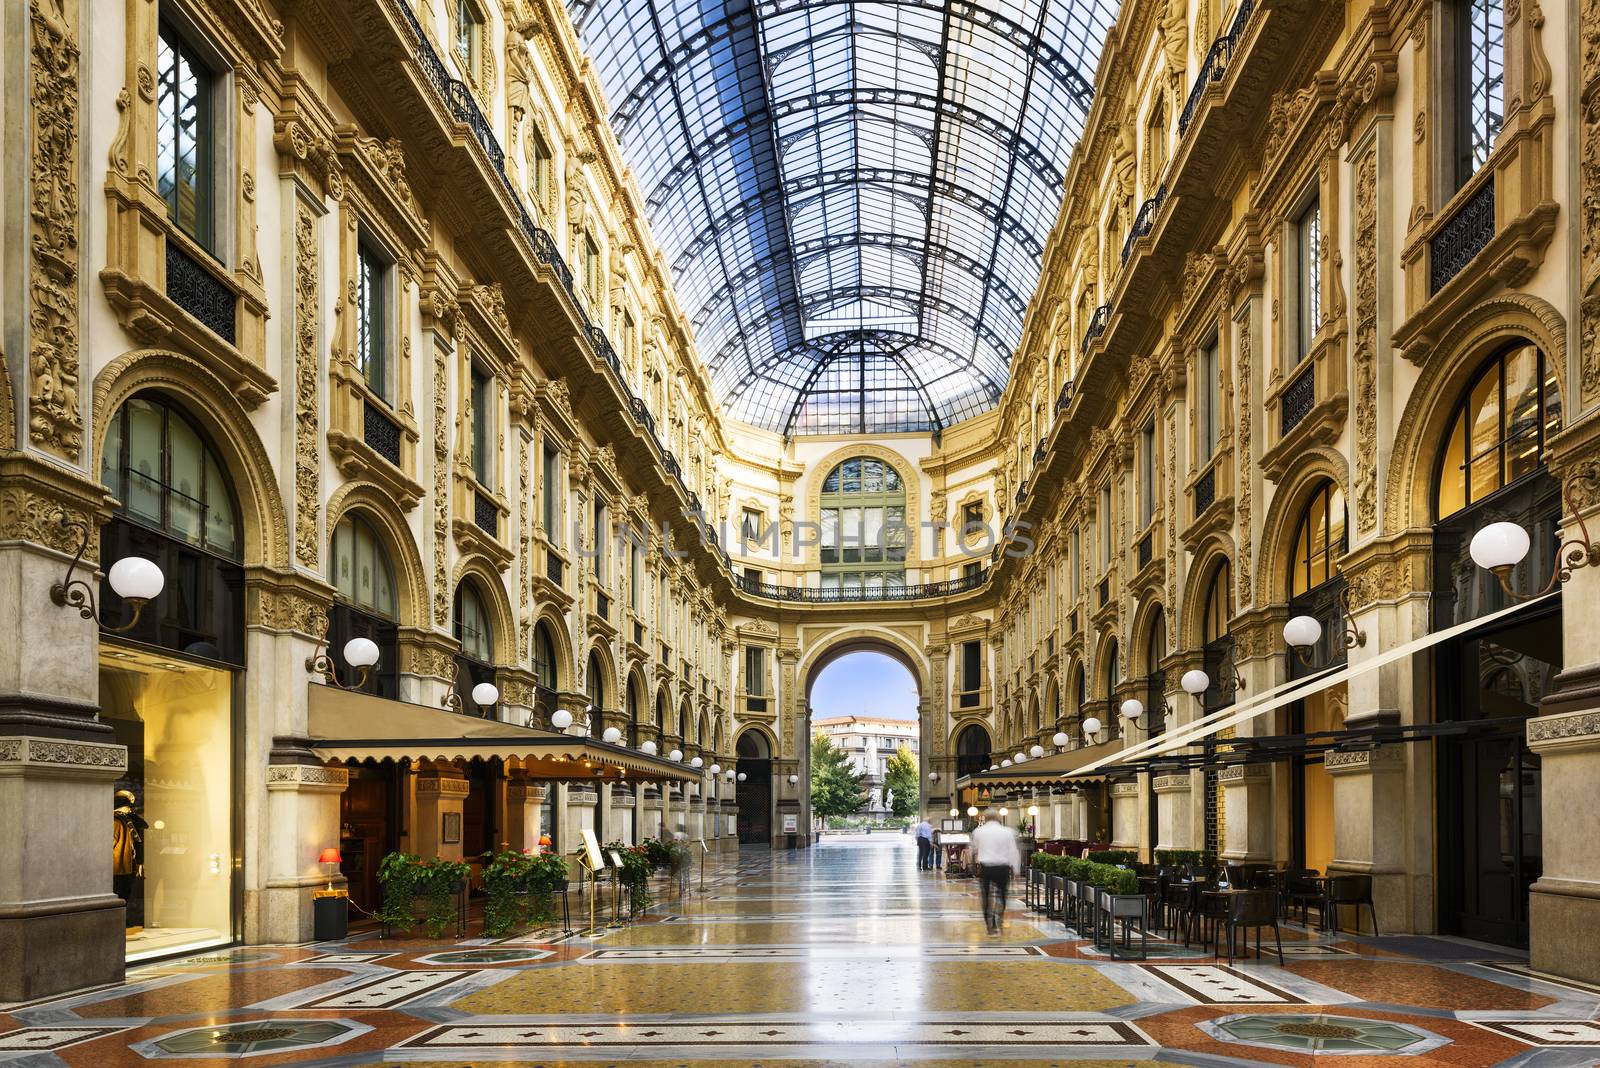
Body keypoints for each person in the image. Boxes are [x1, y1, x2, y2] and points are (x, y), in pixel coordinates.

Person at [969, 814, 1022, 933]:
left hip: (986, 868)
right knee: (1002, 895)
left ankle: (989, 924)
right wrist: (1016, 870)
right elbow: (1013, 851)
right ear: (998, 818)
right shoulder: (1007, 832)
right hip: (1002, 868)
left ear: (986, 818)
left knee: (986, 896)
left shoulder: (978, 832)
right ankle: (998, 917)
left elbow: (973, 849)